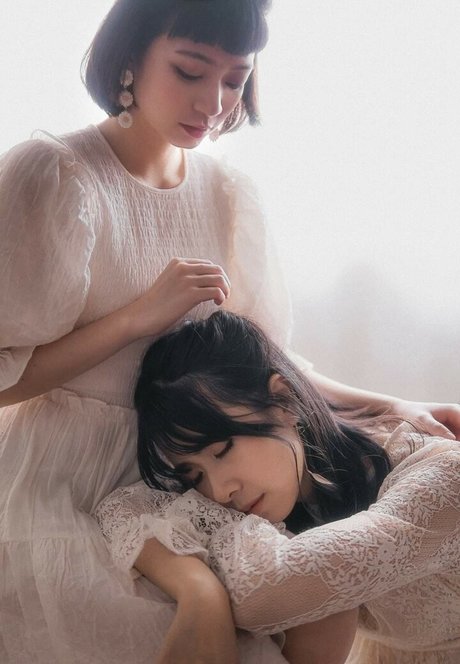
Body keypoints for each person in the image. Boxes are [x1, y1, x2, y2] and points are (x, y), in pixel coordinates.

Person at [1, 0, 459, 661]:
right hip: (63, 485)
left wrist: (391, 403)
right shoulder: (56, 175)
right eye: (190, 71)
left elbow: (267, 364)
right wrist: (135, 319)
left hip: (190, 481)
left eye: (235, 79)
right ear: (128, 59)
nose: (213, 102)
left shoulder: (227, 192)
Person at [96, 310, 460, 664]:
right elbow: (120, 505)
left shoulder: (443, 476)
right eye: (194, 476)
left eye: (222, 450)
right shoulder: (291, 494)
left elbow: (266, 592)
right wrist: (196, 588)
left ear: (283, 402)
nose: (219, 492)